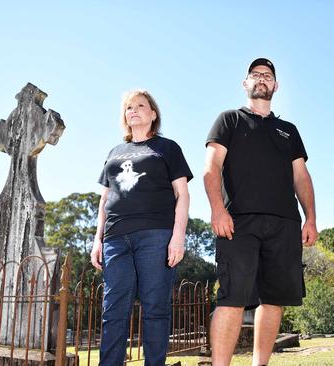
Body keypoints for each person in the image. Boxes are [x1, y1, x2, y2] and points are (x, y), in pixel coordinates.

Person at [204, 58, 317, 366]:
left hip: (284, 224)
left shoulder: (288, 130)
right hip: (238, 222)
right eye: (255, 75)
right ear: (246, 83)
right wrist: (217, 210)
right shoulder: (228, 120)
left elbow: (301, 177)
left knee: (274, 299)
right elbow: (211, 168)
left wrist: (311, 218)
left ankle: (260, 363)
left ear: (276, 86)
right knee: (232, 298)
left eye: (267, 76)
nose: (262, 79)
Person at [90, 89, 193, 366]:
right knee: (113, 310)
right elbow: (105, 198)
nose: (133, 110)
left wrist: (177, 236)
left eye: (140, 106)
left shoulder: (167, 148)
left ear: (153, 113)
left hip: (156, 235)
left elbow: (182, 194)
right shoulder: (114, 152)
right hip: (115, 238)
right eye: (128, 107)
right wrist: (97, 240)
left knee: (155, 308)